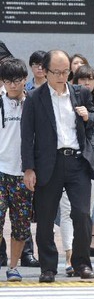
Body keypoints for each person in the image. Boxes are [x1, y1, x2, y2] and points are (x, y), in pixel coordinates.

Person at [21, 49, 94, 283]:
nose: (62, 76)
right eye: (57, 72)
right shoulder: (35, 98)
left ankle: (82, 263)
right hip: (48, 164)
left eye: (66, 71)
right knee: (45, 218)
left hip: (77, 161)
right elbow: (27, 136)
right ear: (45, 71)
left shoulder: (80, 93)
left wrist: (88, 116)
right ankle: (48, 267)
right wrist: (28, 168)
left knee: (82, 214)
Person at [57, 65, 94, 276]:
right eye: (82, 79)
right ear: (74, 81)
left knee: (84, 213)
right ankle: (70, 255)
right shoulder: (64, 100)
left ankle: (81, 256)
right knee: (68, 210)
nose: (86, 83)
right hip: (66, 161)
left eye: (91, 79)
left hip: (91, 163)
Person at [0, 58, 33, 281]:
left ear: (25, 80)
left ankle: (13, 267)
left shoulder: (33, 104)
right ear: (2, 81)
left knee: (21, 225)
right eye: (9, 80)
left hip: (23, 173)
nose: (13, 85)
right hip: (1, 171)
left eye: (18, 80)